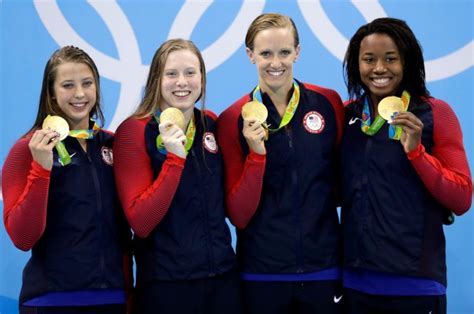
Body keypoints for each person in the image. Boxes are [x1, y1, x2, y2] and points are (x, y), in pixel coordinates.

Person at [340, 17, 472, 314]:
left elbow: (462, 198)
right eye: (368, 59)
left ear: (407, 62)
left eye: (390, 59)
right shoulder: (347, 117)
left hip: (416, 284)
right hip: (354, 283)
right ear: (356, 65)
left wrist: (417, 153)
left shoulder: (435, 113)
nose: (379, 69)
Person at [217, 13, 344, 314]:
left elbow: (341, 181)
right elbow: (238, 213)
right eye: (265, 54)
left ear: (298, 52)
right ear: (250, 55)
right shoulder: (232, 119)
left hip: (323, 268)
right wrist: (256, 155)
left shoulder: (328, 103)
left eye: (285, 52)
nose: (276, 63)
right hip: (262, 272)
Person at [113, 39, 240, 314]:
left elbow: (234, 207)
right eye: (171, 74)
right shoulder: (134, 131)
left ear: (202, 80)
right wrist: (174, 160)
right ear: (156, 79)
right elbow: (141, 222)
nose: (181, 82)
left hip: (222, 281)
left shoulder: (211, 124)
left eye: (190, 73)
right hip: (166, 286)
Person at [2, 46, 133, 314]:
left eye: (87, 83)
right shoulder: (27, 149)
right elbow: (22, 237)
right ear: (51, 92)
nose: (80, 94)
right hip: (51, 301)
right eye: (67, 85)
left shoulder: (111, 144)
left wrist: (128, 293)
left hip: (111, 299)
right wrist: (41, 168)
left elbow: (124, 230)